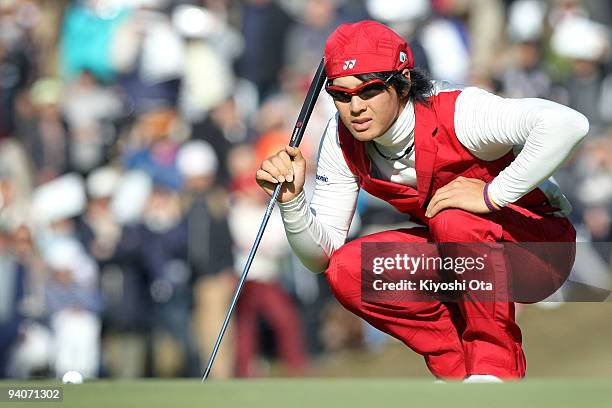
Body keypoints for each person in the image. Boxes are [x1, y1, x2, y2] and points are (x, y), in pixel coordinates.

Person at [255, 20, 589, 382]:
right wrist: (292, 201)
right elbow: (320, 258)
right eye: (341, 95)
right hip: (462, 259)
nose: (354, 108)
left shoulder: (462, 111)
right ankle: (459, 370)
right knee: (349, 271)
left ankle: (496, 367)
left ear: (404, 83)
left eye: (369, 91)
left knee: (454, 217)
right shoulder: (339, 139)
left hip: (540, 251)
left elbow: (568, 124)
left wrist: (492, 194)